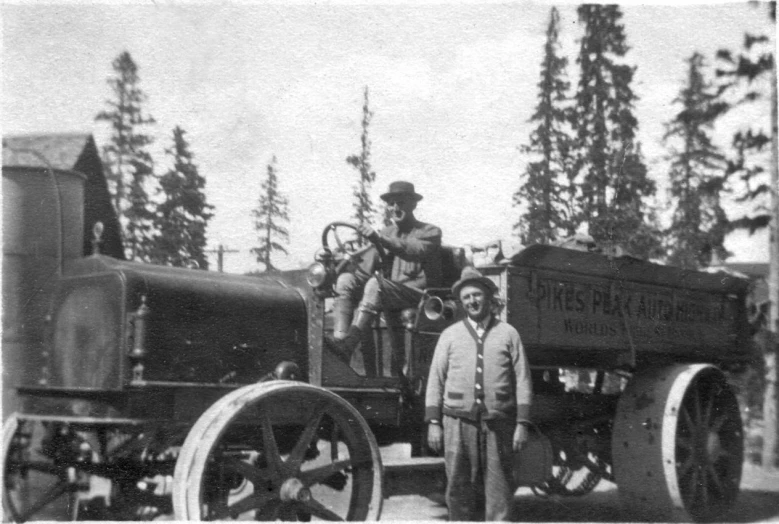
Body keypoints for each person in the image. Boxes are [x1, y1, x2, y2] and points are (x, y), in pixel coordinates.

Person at [425, 267, 532, 521]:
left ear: (488, 297)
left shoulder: (508, 334)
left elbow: (523, 380)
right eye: (467, 298)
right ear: (462, 303)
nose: (472, 301)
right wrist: (433, 423)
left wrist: (522, 423)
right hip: (457, 424)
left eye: (477, 295)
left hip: (498, 424)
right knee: (459, 492)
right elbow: (434, 381)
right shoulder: (449, 336)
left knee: (499, 491)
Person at [330, 181, 443, 360]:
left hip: (418, 296)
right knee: (345, 280)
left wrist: (381, 239)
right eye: (391, 203)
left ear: (413, 204)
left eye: (401, 202)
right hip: (390, 294)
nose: (395, 207)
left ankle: (350, 344)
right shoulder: (387, 232)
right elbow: (365, 271)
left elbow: (414, 250)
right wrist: (343, 270)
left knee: (376, 285)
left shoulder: (429, 231)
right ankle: (339, 342)